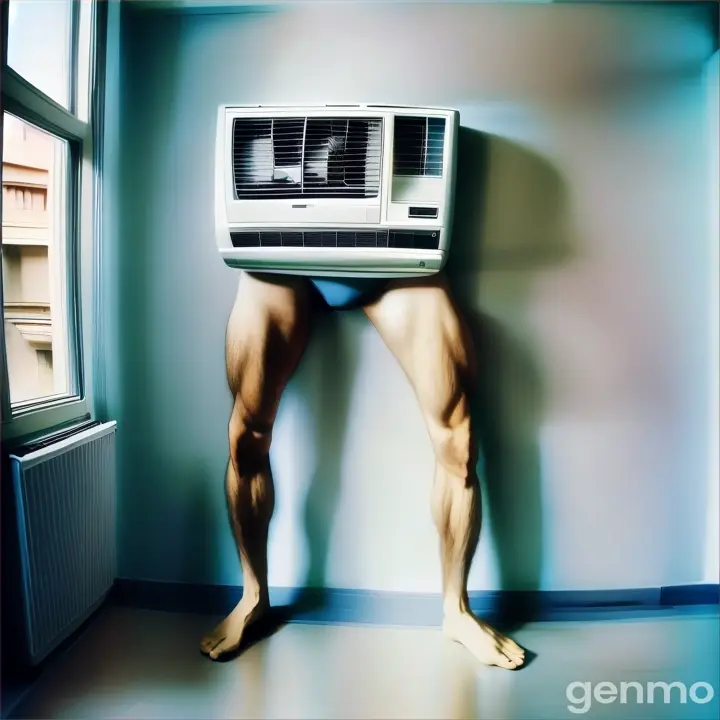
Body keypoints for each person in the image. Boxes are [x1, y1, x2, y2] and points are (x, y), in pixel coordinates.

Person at [200, 271, 526, 670]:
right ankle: (253, 597)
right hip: (280, 256)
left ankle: (456, 611)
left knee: (458, 440)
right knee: (245, 437)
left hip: (394, 262)